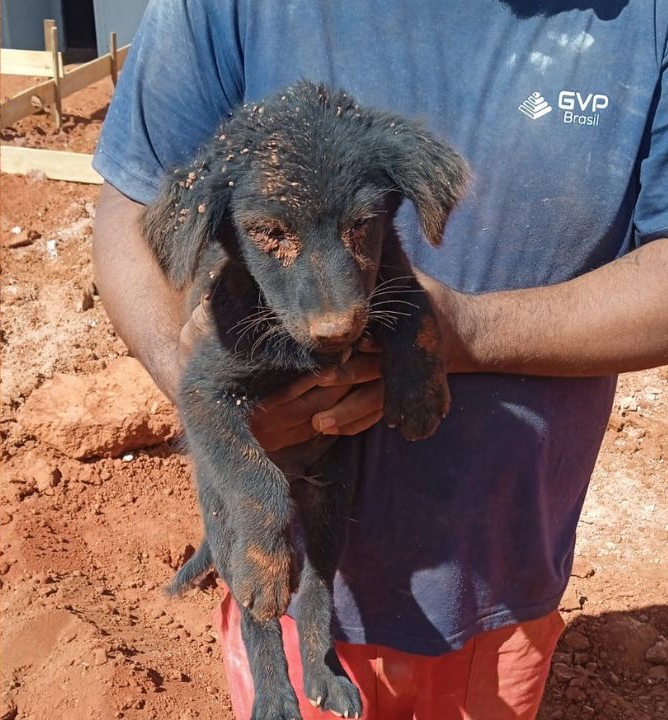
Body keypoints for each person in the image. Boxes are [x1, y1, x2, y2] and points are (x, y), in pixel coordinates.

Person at [90, 0, 668, 717]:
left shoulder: (646, 18)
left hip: (499, 580)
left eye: (365, 226)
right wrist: (211, 401)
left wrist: (470, 332)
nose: (335, 316)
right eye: (273, 234)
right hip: (288, 564)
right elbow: (132, 202)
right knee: (266, 582)